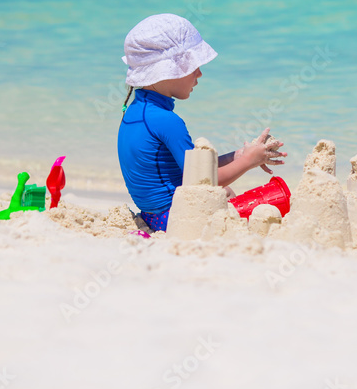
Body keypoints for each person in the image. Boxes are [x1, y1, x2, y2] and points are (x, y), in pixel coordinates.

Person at [117, 14, 286, 231]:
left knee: (226, 194)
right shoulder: (168, 121)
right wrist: (249, 162)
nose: (200, 73)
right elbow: (204, 181)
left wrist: (239, 156)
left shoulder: (137, 111)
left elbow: (193, 168)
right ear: (166, 71)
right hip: (174, 218)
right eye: (192, 65)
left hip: (152, 216)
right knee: (265, 207)